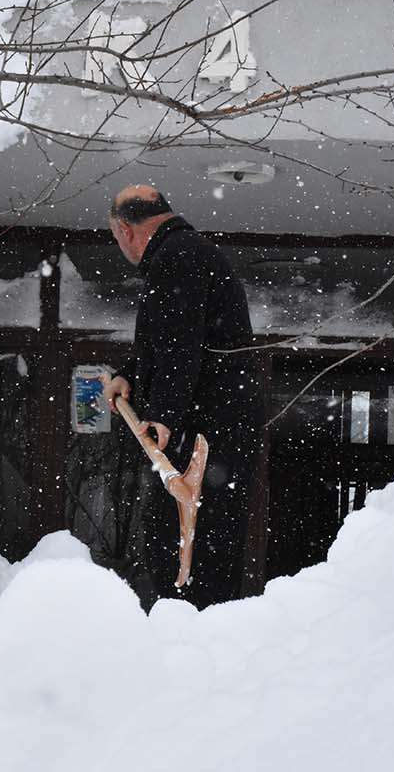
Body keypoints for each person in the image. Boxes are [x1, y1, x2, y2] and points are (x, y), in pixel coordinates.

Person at [102, 185, 258, 609]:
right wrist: (129, 376)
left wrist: (165, 416)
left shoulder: (178, 258)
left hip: (201, 439)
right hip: (215, 431)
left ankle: (189, 644)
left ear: (124, 230)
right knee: (199, 549)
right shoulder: (190, 253)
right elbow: (176, 341)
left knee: (184, 554)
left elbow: (178, 346)